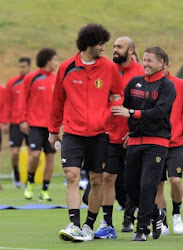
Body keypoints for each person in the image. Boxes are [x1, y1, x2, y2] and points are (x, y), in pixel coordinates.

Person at [48, 23, 123, 242]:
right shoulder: (66, 67)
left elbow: (117, 96)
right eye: (101, 44)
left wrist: (107, 115)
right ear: (89, 44)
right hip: (72, 132)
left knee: (96, 180)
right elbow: (57, 101)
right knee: (71, 176)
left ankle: (89, 225)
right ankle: (74, 224)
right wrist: (53, 131)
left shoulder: (109, 68)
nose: (103, 49)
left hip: (100, 134)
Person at [111, 46, 176, 241]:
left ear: (161, 63)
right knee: (130, 187)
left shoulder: (167, 86)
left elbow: (158, 113)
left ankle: (142, 229)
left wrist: (131, 114)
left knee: (148, 185)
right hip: (134, 142)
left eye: (149, 61)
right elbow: (124, 106)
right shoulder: (134, 83)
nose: (145, 64)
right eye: (144, 60)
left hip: (156, 143)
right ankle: (156, 214)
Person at [93, 36, 144, 239]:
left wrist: (134, 131)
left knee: (135, 182)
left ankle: (144, 217)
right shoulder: (106, 70)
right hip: (109, 136)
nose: (114, 50)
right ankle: (107, 224)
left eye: (119, 47)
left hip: (134, 137)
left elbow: (146, 107)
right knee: (107, 178)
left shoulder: (141, 73)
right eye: (114, 46)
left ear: (131, 51)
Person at [155, 52, 183, 235]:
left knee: (176, 180)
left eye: (162, 65)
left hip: (176, 142)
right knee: (158, 184)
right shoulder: (148, 85)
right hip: (155, 142)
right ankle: (162, 220)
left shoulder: (181, 85)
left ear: (167, 65)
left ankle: (176, 213)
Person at [19, 49, 58, 201]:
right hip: (34, 124)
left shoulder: (56, 79)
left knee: (49, 157)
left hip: (51, 127)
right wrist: (22, 119)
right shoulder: (31, 78)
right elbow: (22, 99)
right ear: (48, 60)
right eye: (55, 59)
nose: (56, 62)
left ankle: (45, 191)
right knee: (35, 154)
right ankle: (30, 182)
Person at [2, 57, 31, 188]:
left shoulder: (33, 81)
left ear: (29, 67)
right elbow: (7, 104)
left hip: (31, 123)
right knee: (15, 152)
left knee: (32, 152)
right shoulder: (12, 83)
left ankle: (28, 178)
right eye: (19, 67)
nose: (21, 69)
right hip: (15, 122)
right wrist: (4, 122)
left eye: (23, 67)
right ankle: (16, 172)